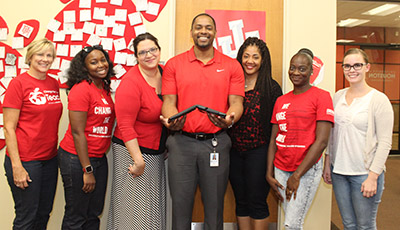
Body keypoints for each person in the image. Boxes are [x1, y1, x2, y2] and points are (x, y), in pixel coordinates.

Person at [161, 13, 245, 230]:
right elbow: (169, 102)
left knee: (215, 208)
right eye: (198, 27)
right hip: (181, 144)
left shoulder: (232, 66)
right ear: (192, 33)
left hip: (216, 143)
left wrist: (230, 118)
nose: (203, 31)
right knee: (180, 208)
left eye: (208, 27)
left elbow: (236, 103)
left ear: (215, 33)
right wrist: (172, 120)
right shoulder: (174, 64)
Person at [323, 48, 393, 229]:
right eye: (347, 66)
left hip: (364, 173)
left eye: (357, 65)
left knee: (365, 225)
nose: (351, 70)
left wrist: (373, 177)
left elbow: (385, 142)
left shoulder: (379, 100)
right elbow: (332, 134)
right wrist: (327, 162)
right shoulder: (338, 96)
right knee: (348, 224)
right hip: (339, 172)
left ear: (367, 67)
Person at [266, 49, 334, 230]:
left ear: (312, 71)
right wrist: (269, 173)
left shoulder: (322, 96)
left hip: (306, 169)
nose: (296, 72)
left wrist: (297, 175)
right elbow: (273, 139)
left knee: (291, 224)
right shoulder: (281, 100)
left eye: (302, 69)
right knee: (292, 220)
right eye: (293, 68)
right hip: (281, 168)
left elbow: (322, 141)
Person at [107, 32, 167, 229]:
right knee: (133, 207)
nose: (149, 55)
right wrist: (138, 160)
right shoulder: (131, 83)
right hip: (132, 151)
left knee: (151, 206)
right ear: (136, 56)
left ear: (159, 50)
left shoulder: (165, 73)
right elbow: (124, 125)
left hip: (155, 150)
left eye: (152, 50)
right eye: (142, 52)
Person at [3, 38, 62, 229]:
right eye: (40, 54)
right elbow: (9, 127)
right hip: (26, 160)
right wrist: (16, 166)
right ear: (30, 56)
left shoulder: (53, 84)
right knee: (26, 217)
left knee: (43, 214)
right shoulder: (18, 84)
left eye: (49, 55)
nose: (45, 59)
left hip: (50, 158)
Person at [58, 45, 115, 229]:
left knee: (93, 213)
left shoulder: (104, 88)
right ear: (84, 67)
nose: (100, 65)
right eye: (94, 62)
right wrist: (87, 169)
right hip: (77, 159)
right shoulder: (81, 90)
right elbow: (77, 132)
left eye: (103, 60)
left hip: (99, 157)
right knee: (77, 215)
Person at [228, 37, 282, 230]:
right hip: (233, 152)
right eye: (246, 56)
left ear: (263, 60)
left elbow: (277, 127)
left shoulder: (271, 88)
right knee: (241, 201)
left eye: (255, 57)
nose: (250, 61)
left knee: (257, 201)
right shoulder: (231, 84)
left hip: (259, 152)